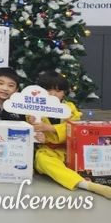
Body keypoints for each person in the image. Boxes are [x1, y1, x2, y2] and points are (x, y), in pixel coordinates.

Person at [31, 71, 111, 199]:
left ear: (64, 93)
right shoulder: (33, 108)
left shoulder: (70, 107)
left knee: (93, 154)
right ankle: (87, 185)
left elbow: (74, 127)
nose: (53, 94)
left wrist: (50, 128)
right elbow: (31, 131)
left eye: (58, 91)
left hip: (69, 149)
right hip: (47, 150)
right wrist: (38, 137)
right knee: (42, 161)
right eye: (48, 90)